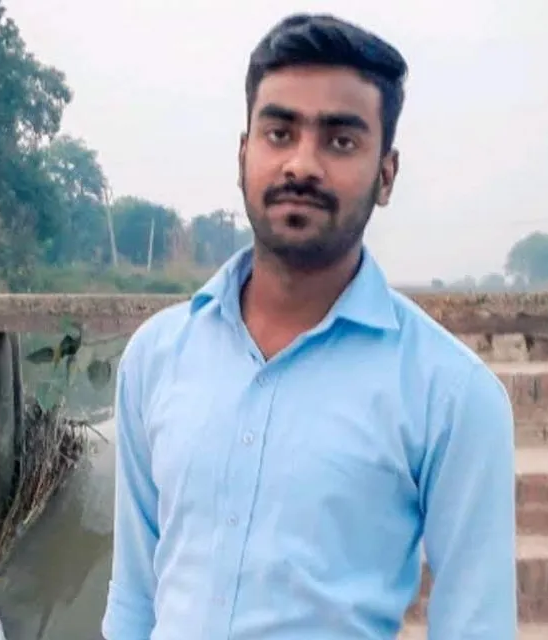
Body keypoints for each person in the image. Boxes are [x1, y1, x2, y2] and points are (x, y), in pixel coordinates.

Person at [102, 12, 516, 640]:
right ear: (243, 154)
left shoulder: (452, 394)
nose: (302, 164)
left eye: (340, 141)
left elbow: (475, 626)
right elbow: (135, 599)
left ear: (386, 174)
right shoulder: (157, 358)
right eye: (278, 132)